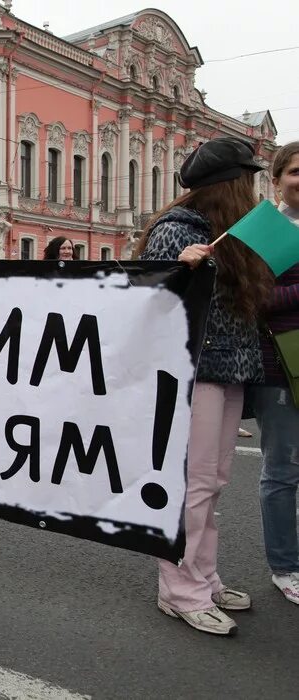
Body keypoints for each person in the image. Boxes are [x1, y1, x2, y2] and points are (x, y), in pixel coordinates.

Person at [137, 136, 274, 635]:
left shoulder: (230, 231)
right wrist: (179, 269)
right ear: (227, 186)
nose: (253, 189)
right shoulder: (177, 231)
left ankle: (204, 576)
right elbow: (143, 297)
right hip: (194, 371)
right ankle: (178, 589)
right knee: (193, 486)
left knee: (212, 482)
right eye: (248, 179)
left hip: (229, 366)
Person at [250, 141, 299, 605]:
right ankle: (286, 566)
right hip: (281, 364)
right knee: (282, 470)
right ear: (277, 178)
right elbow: (257, 299)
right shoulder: (264, 229)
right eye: (296, 172)